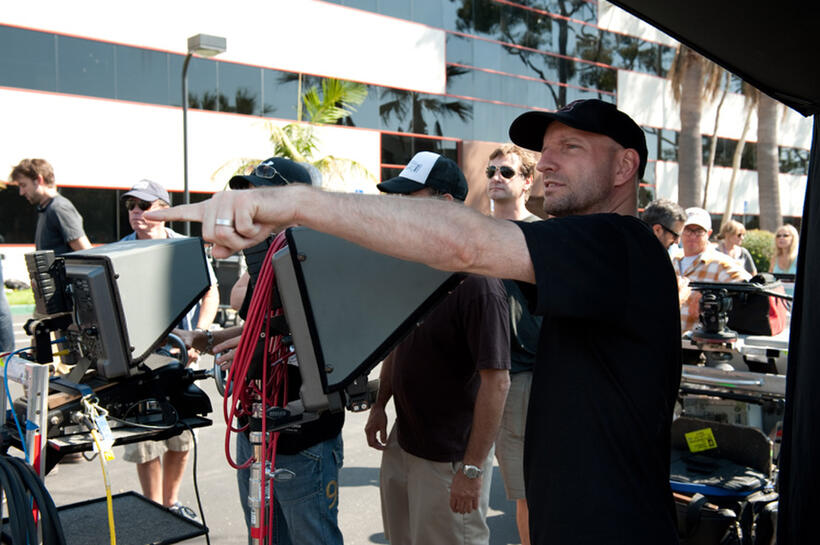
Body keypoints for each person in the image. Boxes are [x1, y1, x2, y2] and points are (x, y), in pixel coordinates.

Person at [147, 98, 683, 545]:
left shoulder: (622, 245)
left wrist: (294, 204)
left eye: (570, 147)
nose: (545, 163)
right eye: (546, 150)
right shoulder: (588, 258)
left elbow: (466, 244)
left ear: (623, 167)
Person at [180, 158, 345, 545]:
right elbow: (261, 322)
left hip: (303, 439)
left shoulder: (321, 260)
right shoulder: (265, 259)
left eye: (263, 198)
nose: (251, 208)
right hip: (255, 430)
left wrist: (262, 347)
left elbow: (327, 339)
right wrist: (204, 339)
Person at [363, 151, 510, 545]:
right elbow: (399, 342)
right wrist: (380, 405)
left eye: (409, 198)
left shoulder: (478, 283)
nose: (400, 208)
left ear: (445, 204)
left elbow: (497, 383)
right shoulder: (414, 268)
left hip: (450, 458)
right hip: (404, 442)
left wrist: (472, 469)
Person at [119, 179, 219, 518]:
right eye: (131, 206)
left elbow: (210, 291)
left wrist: (199, 335)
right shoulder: (119, 251)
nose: (136, 212)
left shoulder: (185, 248)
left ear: (165, 210)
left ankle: (170, 504)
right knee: (144, 442)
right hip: (137, 361)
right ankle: (153, 510)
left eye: (144, 206)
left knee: (180, 436)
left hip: (181, 358)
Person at [485, 143, 541, 545]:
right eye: (491, 171)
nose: (496, 178)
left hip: (521, 373)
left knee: (526, 490)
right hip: (475, 371)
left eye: (506, 172)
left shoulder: (543, 234)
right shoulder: (475, 231)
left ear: (527, 181)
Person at [673, 207, 751, 333]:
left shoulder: (720, 263)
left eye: (699, 231)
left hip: (700, 341)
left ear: (708, 234)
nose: (692, 236)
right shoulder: (673, 261)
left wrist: (708, 297)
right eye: (688, 230)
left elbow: (751, 288)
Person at [10, 159, 92, 255]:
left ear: (39, 180)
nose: (21, 192)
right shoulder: (45, 209)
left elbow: (87, 253)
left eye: (23, 185)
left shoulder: (59, 208)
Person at [770, 223, 799, 296]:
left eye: (785, 235)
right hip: (778, 298)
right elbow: (769, 280)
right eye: (778, 236)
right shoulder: (774, 258)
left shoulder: (797, 258)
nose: (781, 238)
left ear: (793, 238)